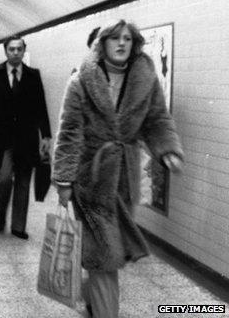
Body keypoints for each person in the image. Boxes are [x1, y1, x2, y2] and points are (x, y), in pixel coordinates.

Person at [52, 19, 183, 318]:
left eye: (127, 38)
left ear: (134, 43)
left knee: (107, 252)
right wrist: (63, 179)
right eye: (115, 38)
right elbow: (70, 132)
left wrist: (168, 150)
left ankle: (89, 292)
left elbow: (157, 120)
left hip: (125, 178)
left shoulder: (145, 80)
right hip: (91, 179)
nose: (122, 43)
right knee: (106, 254)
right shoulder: (81, 82)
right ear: (102, 43)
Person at [0, 35, 51, 239]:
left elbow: (41, 107)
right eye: (11, 49)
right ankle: (2, 207)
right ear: (6, 51)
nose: (15, 52)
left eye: (19, 49)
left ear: (23, 51)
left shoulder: (33, 75)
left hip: (27, 138)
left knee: (23, 181)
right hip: (2, 139)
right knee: (3, 178)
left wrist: (45, 135)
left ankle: (18, 226)